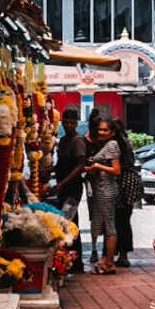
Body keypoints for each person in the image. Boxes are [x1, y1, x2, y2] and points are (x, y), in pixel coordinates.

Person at [50, 106, 89, 274]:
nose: (68, 125)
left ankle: (76, 262)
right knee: (65, 223)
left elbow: (80, 166)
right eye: (65, 122)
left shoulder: (78, 141)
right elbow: (61, 165)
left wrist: (63, 183)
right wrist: (49, 170)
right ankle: (66, 260)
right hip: (63, 185)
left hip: (72, 186)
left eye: (71, 123)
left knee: (72, 223)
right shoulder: (64, 140)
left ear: (76, 123)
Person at [85, 116, 122, 274]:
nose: (101, 132)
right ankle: (106, 260)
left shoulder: (112, 144)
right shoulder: (105, 145)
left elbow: (116, 170)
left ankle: (109, 263)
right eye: (99, 129)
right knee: (105, 226)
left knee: (109, 226)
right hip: (100, 190)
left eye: (105, 129)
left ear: (112, 132)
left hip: (107, 191)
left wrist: (98, 165)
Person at [110, 118, 141, 269]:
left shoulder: (118, 144)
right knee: (123, 219)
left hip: (123, 184)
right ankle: (122, 254)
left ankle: (122, 255)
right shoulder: (124, 140)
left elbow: (117, 167)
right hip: (128, 183)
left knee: (121, 220)